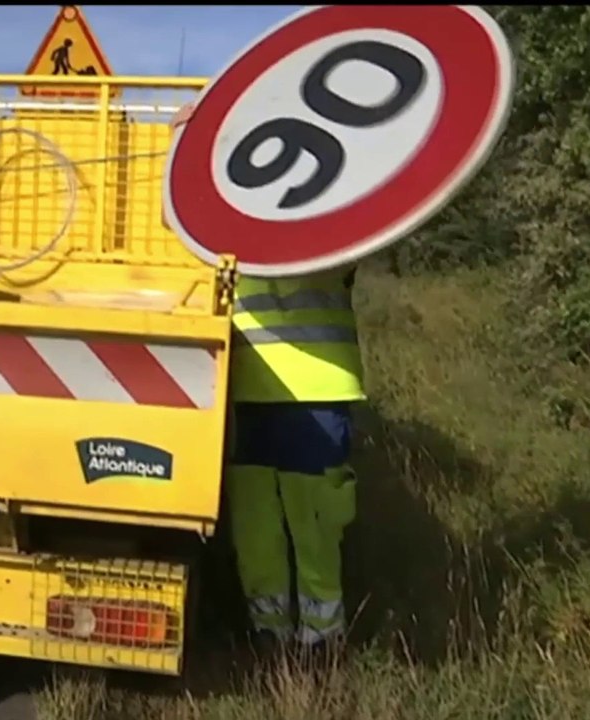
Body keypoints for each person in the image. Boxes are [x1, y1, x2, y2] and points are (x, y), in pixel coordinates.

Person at [167, 103, 364, 662]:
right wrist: (187, 146)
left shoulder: (337, 223)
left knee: (313, 523)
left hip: (315, 390)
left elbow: (366, 239)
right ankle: (269, 632)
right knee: (258, 522)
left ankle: (322, 641)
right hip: (252, 389)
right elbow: (178, 223)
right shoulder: (229, 223)